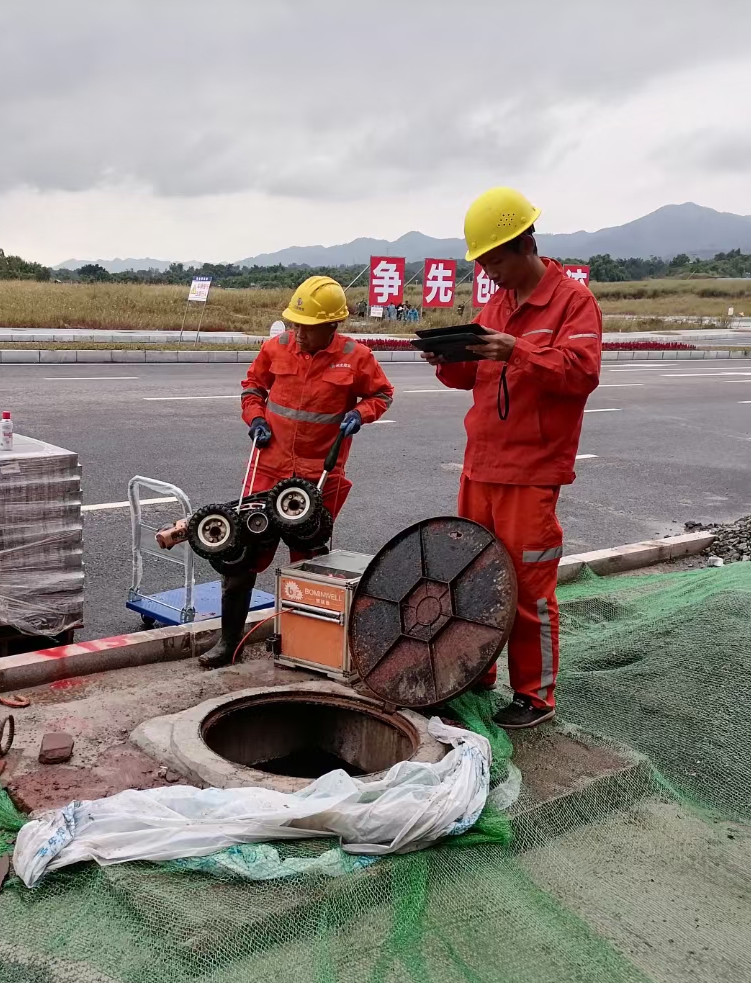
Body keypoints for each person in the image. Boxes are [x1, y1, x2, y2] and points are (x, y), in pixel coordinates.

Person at [425, 187, 601, 729]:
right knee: (473, 580)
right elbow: (472, 378)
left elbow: (581, 374)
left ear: (525, 244)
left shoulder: (573, 303)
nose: (490, 273)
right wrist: (445, 359)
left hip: (531, 474)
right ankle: (477, 672)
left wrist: (517, 349)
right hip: (480, 466)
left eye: (495, 261)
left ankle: (535, 696)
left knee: (528, 589)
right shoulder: (496, 305)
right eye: (482, 264)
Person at [199, 275, 394, 668]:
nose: (299, 334)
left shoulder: (357, 357)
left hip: (318, 477)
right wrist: (254, 417)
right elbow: (252, 388)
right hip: (267, 469)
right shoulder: (276, 348)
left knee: (309, 565)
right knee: (241, 555)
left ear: (332, 326)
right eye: (295, 324)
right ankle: (229, 643)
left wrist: (361, 412)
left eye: (308, 328)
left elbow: (382, 394)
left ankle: (304, 646)